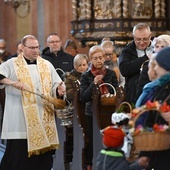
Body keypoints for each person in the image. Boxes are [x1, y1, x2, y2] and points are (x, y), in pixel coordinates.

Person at [0, 34, 66, 170]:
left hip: (43, 116)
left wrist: (60, 90)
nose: (36, 50)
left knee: (42, 160)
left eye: (37, 47)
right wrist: (12, 82)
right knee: (19, 158)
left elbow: (56, 84)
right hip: (20, 120)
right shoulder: (12, 64)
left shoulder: (46, 65)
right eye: (32, 48)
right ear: (23, 48)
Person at [79, 45, 118, 170]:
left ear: (104, 58)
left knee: (110, 139)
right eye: (95, 58)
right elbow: (83, 97)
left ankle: (110, 163)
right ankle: (92, 164)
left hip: (109, 111)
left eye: (101, 57)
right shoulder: (86, 76)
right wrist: (94, 83)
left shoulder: (111, 74)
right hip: (92, 113)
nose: (99, 61)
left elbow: (116, 92)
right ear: (91, 59)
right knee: (93, 140)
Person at [135, 46, 170, 170]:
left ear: (166, 67)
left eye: (157, 65)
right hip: (157, 151)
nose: (154, 69)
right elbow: (150, 120)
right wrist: (144, 153)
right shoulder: (161, 88)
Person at [64, 54, 89, 169]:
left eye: (84, 65)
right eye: (80, 65)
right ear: (75, 66)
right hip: (75, 110)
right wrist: (77, 91)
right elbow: (67, 94)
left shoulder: (90, 76)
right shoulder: (70, 78)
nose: (83, 68)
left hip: (88, 108)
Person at [119, 23, 154, 105]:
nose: (141, 42)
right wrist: (146, 58)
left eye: (145, 39)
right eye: (138, 39)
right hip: (133, 94)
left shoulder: (157, 47)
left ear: (150, 36)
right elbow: (124, 70)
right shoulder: (127, 50)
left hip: (154, 92)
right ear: (133, 37)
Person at [136, 34, 170, 99]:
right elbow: (140, 90)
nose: (159, 49)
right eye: (157, 46)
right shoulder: (147, 66)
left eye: (163, 47)